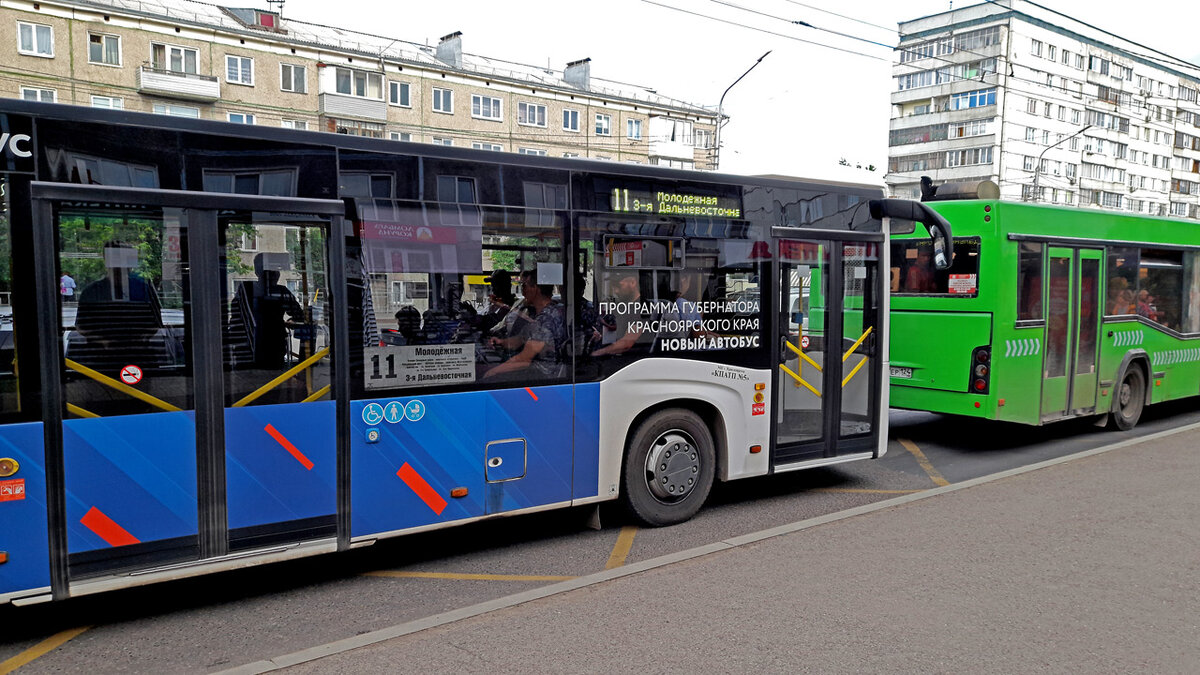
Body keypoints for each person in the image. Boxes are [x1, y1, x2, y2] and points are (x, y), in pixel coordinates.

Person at [483, 270, 566, 379]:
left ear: (535, 288)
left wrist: (493, 371)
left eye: (524, 286)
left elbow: (525, 358)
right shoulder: (539, 314)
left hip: (542, 376)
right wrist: (502, 342)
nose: (523, 292)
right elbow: (522, 339)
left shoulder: (546, 319)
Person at [229, 253, 304, 370]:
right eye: (272, 270)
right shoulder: (281, 292)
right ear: (258, 272)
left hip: (249, 350)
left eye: (276, 270)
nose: (274, 274)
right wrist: (289, 321)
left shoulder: (245, 289)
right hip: (270, 348)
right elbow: (299, 315)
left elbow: (235, 315)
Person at [592, 269, 655, 357]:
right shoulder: (621, 306)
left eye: (618, 286)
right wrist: (600, 336)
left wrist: (598, 353)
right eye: (613, 286)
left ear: (633, 282)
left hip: (633, 361)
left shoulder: (644, 307)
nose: (615, 291)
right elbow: (618, 330)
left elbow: (626, 343)